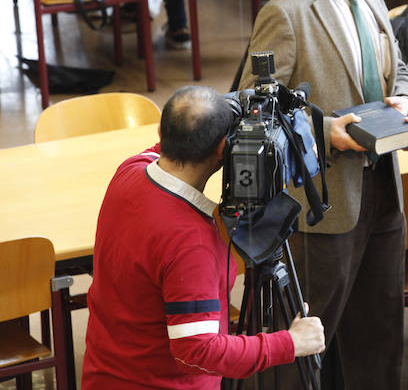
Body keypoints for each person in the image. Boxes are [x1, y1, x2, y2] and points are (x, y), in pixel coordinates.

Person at [237, 0, 408, 388]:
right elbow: (253, 109)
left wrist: (405, 99)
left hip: (384, 193)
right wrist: (323, 131)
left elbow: (398, 71)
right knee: (308, 345)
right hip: (324, 205)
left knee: (379, 333)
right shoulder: (286, 12)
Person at [82, 86, 325, 389]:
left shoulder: (130, 170)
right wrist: (291, 342)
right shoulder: (191, 241)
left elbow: (177, 138)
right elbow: (198, 351)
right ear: (224, 149)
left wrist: (219, 112)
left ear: (163, 130)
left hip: (105, 376)